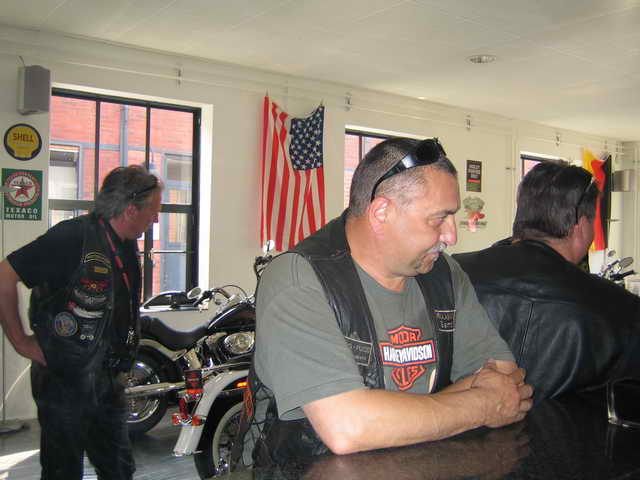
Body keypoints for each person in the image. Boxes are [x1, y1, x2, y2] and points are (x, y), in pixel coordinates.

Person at [233, 137, 533, 469]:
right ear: (382, 212)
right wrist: (481, 406)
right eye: (439, 219)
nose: (452, 236)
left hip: (421, 467)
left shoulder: (444, 274)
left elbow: (503, 374)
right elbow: (347, 428)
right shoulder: (299, 277)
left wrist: (387, 418)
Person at [0, 165, 162, 480]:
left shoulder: (125, 244)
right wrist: (20, 341)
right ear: (131, 209)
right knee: (63, 472)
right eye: (154, 210)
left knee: (119, 470)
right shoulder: (72, 237)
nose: (156, 218)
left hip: (108, 380)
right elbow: (4, 275)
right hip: (65, 380)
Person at [454, 161, 640, 403]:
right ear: (582, 225)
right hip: (565, 429)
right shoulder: (623, 310)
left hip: (455, 424)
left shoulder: (452, 274)